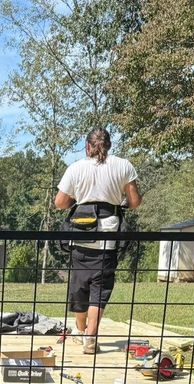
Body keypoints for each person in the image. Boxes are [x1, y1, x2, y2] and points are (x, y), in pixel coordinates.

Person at [54, 127, 142, 354]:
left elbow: (60, 202)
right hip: (108, 239)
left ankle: (81, 329)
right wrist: (118, 199)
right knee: (99, 289)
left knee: (80, 286)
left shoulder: (75, 168)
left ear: (87, 147)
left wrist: (77, 198)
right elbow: (134, 201)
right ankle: (90, 337)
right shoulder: (124, 166)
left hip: (81, 238)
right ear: (109, 145)